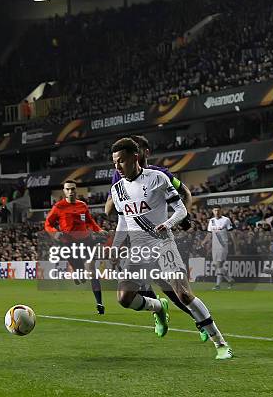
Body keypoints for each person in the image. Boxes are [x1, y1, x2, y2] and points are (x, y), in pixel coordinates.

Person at [109, 137, 232, 360]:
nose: (117, 167)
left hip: (163, 244)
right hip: (139, 249)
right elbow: (122, 222)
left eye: (121, 161)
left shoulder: (157, 178)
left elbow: (181, 210)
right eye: (114, 162)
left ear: (135, 157)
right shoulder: (117, 189)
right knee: (124, 298)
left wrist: (167, 224)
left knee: (184, 294)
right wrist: (115, 247)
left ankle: (221, 343)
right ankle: (158, 307)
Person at [45, 180, 107, 314]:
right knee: (81, 275)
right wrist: (55, 233)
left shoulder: (82, 205)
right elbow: (48, 224)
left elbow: (90, 221)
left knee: (92, 270)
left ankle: (99, 303)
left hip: (86, 240)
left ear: (76, 190)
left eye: (73, 189)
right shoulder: (58, 207)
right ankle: (77, 272)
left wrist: (98, 230)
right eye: (68, 189)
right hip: (69, 244)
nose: (70, 192)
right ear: (64, 191)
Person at [205, 206, 236, 290]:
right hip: (214, 246)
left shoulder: (226, 220)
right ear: (213, 211)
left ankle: (218, 285)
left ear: (221, 211)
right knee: (216, 265)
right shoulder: (211, 221)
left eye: (218, 210)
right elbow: (209, 233)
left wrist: (235, 243)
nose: (217, 212)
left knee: (219, 264)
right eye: (215, 210)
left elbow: (231, 233)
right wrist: (204, 241)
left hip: (223, 245)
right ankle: (230, 280)